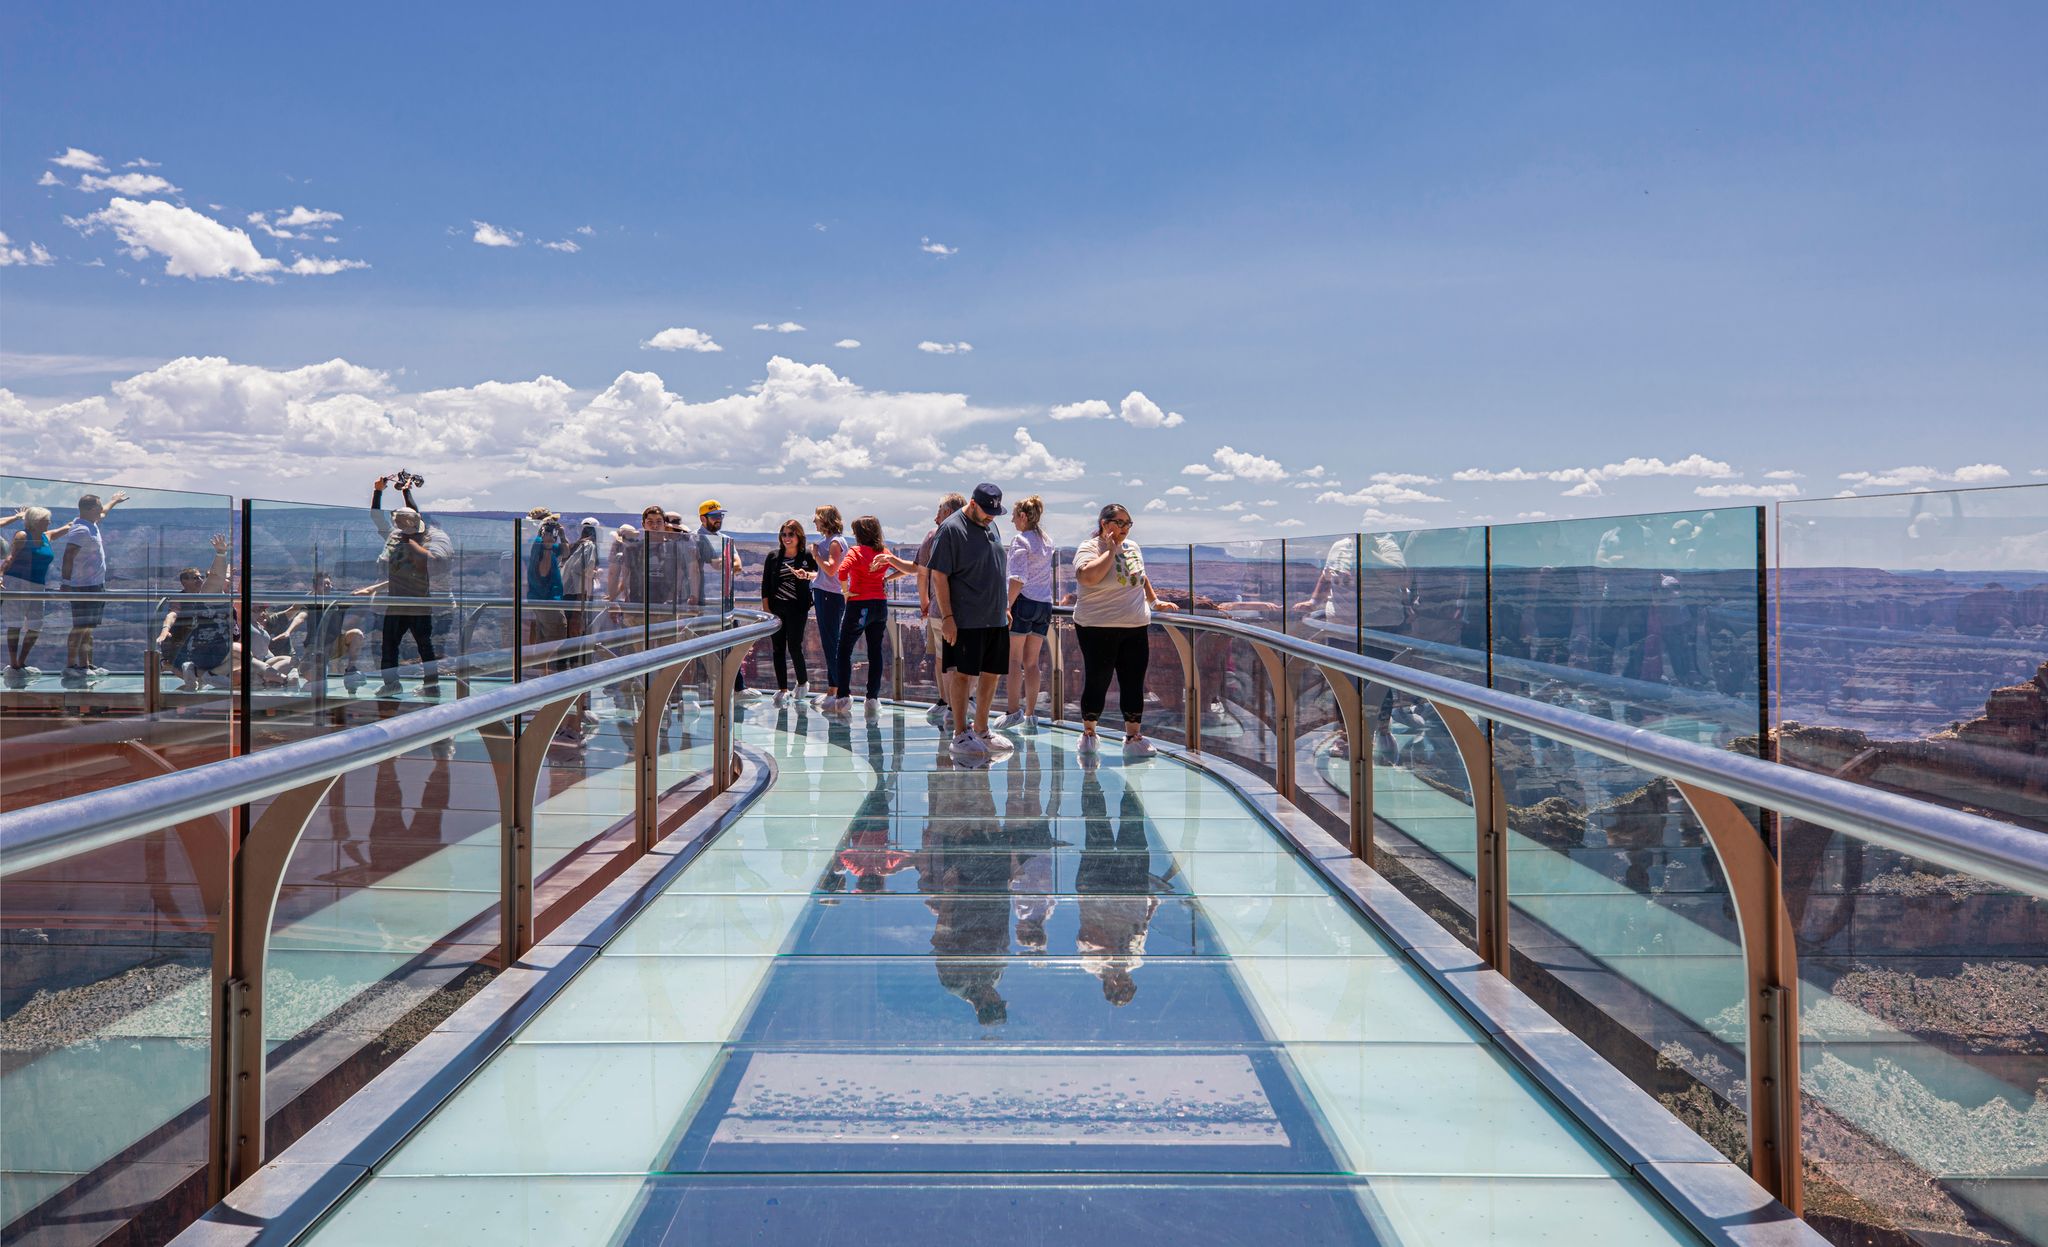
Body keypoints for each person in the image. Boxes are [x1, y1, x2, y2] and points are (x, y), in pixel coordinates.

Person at [1072, 503, 1177, 760]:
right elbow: (1087, 578)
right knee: (1099, 680)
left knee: (1133, 681)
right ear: (1104, 524)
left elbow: (1141, 575)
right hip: (1097, 626)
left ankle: (1133, 737)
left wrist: (1154, 601)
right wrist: (1110, 550)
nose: (1124, 528)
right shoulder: (1089, 548)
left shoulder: (1134, 547)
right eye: (1118, 523)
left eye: (1128, 523)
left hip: (1135, 625)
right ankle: (1089, 733)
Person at [929, 483, 1013, 758]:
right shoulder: (952, 529)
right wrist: (949, 617)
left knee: (992, 672)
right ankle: (961, 733)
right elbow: (939, 575)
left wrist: (1005, 606)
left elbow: (996, 565)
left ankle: (982, 729)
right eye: (987, 512)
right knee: (963, 674)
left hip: (995, 616)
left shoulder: (990, 525)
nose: (991, 517)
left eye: (995, 513)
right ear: (973, 504)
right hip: (965, 618)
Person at [826, 515, 917, 714]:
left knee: (843, 650)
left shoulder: (856, 551)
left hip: (859, 606)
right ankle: (872, 699)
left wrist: (845, 592)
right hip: (880, 606)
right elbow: (906, 569)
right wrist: (888, 578)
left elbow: (841, 572)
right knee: (875, 652)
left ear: (860, 534)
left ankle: (843, 697)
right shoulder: (883, 552)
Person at [370, 474, 451, 697]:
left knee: (424, 647)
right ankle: (392, 683)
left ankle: (430, 686)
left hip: (417, 602)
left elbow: (414, 515)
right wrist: (378, 491)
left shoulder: (421, 540)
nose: (397, 524)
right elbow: (377, 519)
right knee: (390, 646)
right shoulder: (394, 538)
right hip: (397, 602)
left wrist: (406, 493)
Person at [57, 490, 131, 686]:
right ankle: (71, 666)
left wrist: (114, 500)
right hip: (83, 586)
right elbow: (68, 555)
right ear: (90, 510)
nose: (101, 510)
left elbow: (105, 512)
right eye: (98, 507)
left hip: (95, 585)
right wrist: (66, 582)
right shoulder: (80, 530)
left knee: (88, 628)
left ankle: (86, 665)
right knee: (80, 626)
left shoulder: (91, 524)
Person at [996, 495, 1053, 730]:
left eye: (1013, 516)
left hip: (1024, 603)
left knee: (1014, 660)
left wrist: (1007, 605)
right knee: (1032, 663)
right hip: (1044, 605)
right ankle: (1030, 714)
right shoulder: (1047, 540)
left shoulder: (1021, 540)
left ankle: (1012, 712)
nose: (1011, 521)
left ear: (1022, 516)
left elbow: (1018, 578)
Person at [1, 504, 76, 685]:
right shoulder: (22, 536)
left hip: (37, 586)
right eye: (46, 520)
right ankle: (14, 664)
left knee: (36, 625)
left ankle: (21, 661)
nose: (49, 522)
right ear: (35, 521)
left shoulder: (46, 537)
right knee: (15, 624)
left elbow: (63, 529)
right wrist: (0, 576)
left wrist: (74, 523)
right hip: (16, 583)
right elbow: (10, 557)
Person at [916, 492, 967, 726]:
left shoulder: (934, 536)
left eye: (939, 510)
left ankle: (947, 703)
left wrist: (924, 601)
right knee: (961, 662)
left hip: (940, 611)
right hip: (967, 611)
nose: (936, 515)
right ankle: (959, 704)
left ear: (947, 512)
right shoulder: (971, 535)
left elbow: (922, 572)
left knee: (942, 660)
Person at [156, 534, 233, 690]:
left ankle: (197, 676)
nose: (199, 580)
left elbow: (219, 577)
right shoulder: (204, 595)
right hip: (190, 639)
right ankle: (192, 674)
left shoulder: (212, 594)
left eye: (200, 577)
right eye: (195, 578)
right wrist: (165, 630)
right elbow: (173, 613)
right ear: (185, 581)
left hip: (200, 638)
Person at [760, 518, 819, 702]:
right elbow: (765, 585)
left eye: (791, 534)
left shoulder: (806, 557)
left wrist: (807, 574)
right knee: (778, 648)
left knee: (794, 646)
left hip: (797, 608)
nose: (787, 538)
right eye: (784, 534)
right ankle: (782, 689)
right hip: (777, 608)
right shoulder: (773, 557)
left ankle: (802, 683)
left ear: (799, 536)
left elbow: (820, 576)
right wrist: (767, 610)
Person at [810, 505, 849, 701]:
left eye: (816, 518)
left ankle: (839, 690)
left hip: (829, 597)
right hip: (826, 594)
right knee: (829, 643)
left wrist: (816, 555)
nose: (814, 522)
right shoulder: (830, 541)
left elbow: (832, 570)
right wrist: (810, 575)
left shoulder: (834, 542)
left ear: (825, 519)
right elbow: (828, 574)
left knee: (831, 643)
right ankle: (833, 688)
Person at [525, 508, 569, 668]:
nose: (554, 528)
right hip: (547, 599)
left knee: (544, 639)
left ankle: (541, 675)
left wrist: (562, 536)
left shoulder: (544, 543)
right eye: (551, 524)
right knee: (556, 637)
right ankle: (545, 675)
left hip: (546, 598)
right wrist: (548, 547)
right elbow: (543, 572)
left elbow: (565, 553)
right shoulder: (540, 544)